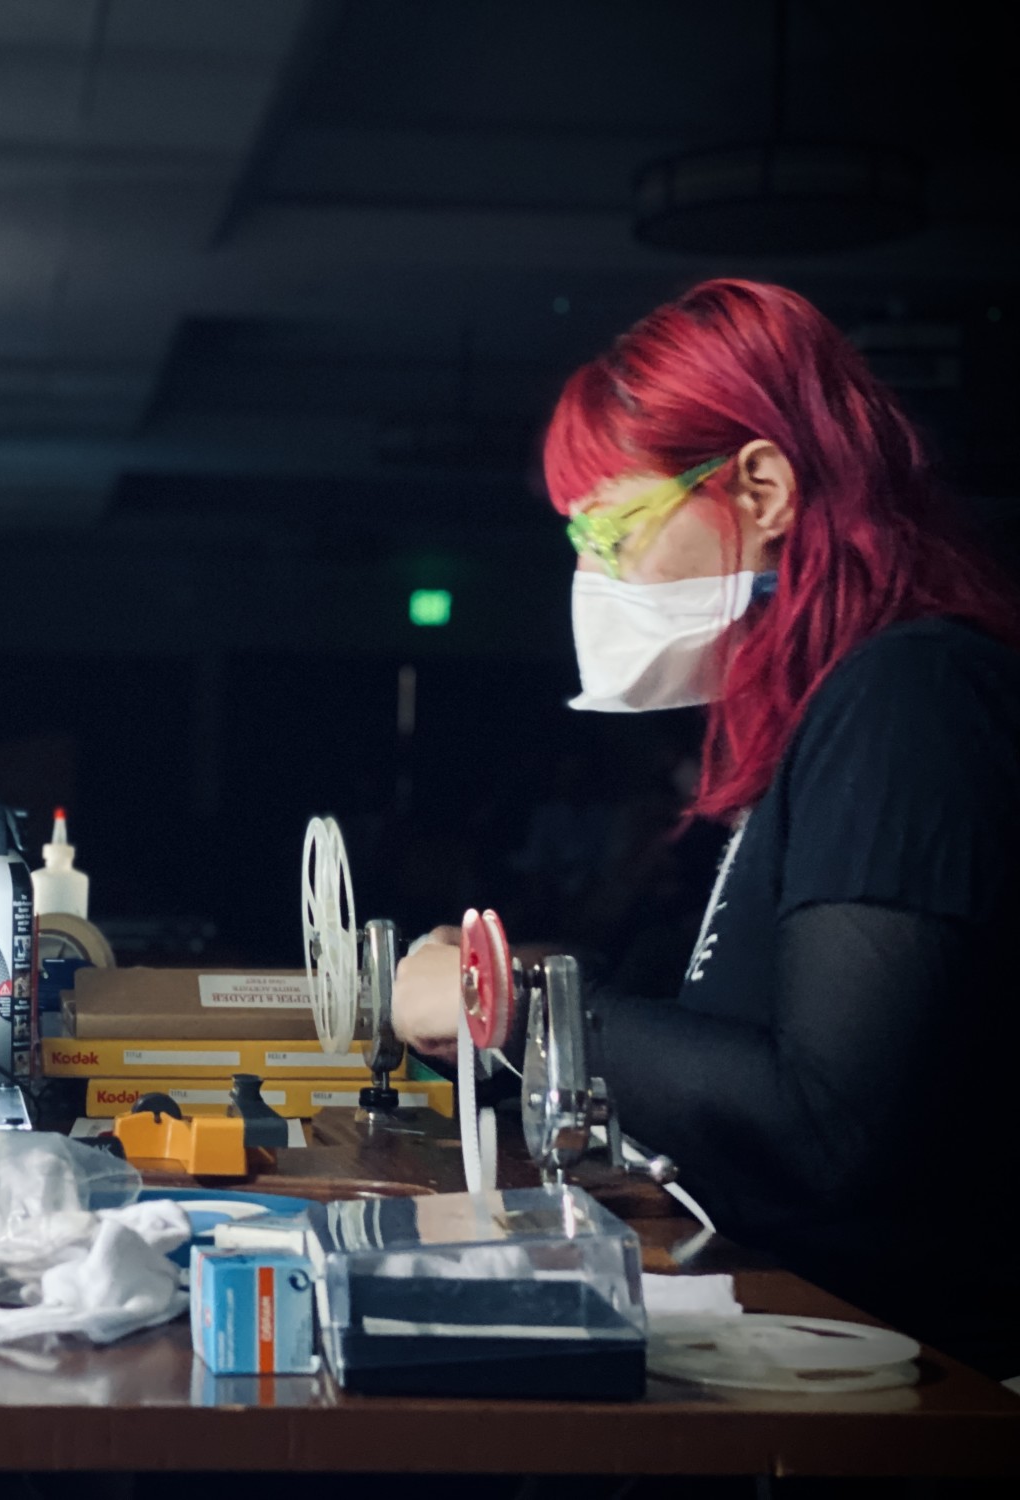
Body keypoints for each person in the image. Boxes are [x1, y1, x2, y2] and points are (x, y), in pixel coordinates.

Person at [392, 280, 1020, 1378]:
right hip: (830, 1335)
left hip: (912, 1379)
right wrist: (529, 989)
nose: (591, 575)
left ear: (763, 487)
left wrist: (513, 1008)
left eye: (612, 527)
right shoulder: (831, 708)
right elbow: (733, 1036)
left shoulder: (905, 698)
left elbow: (828, 1124)